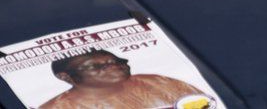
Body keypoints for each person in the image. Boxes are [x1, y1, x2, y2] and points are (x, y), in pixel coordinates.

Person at [39, 49, 207, 109]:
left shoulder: (158, 82)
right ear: (66, 77)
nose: (114, 66)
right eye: (96, 66)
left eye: (117, 61)